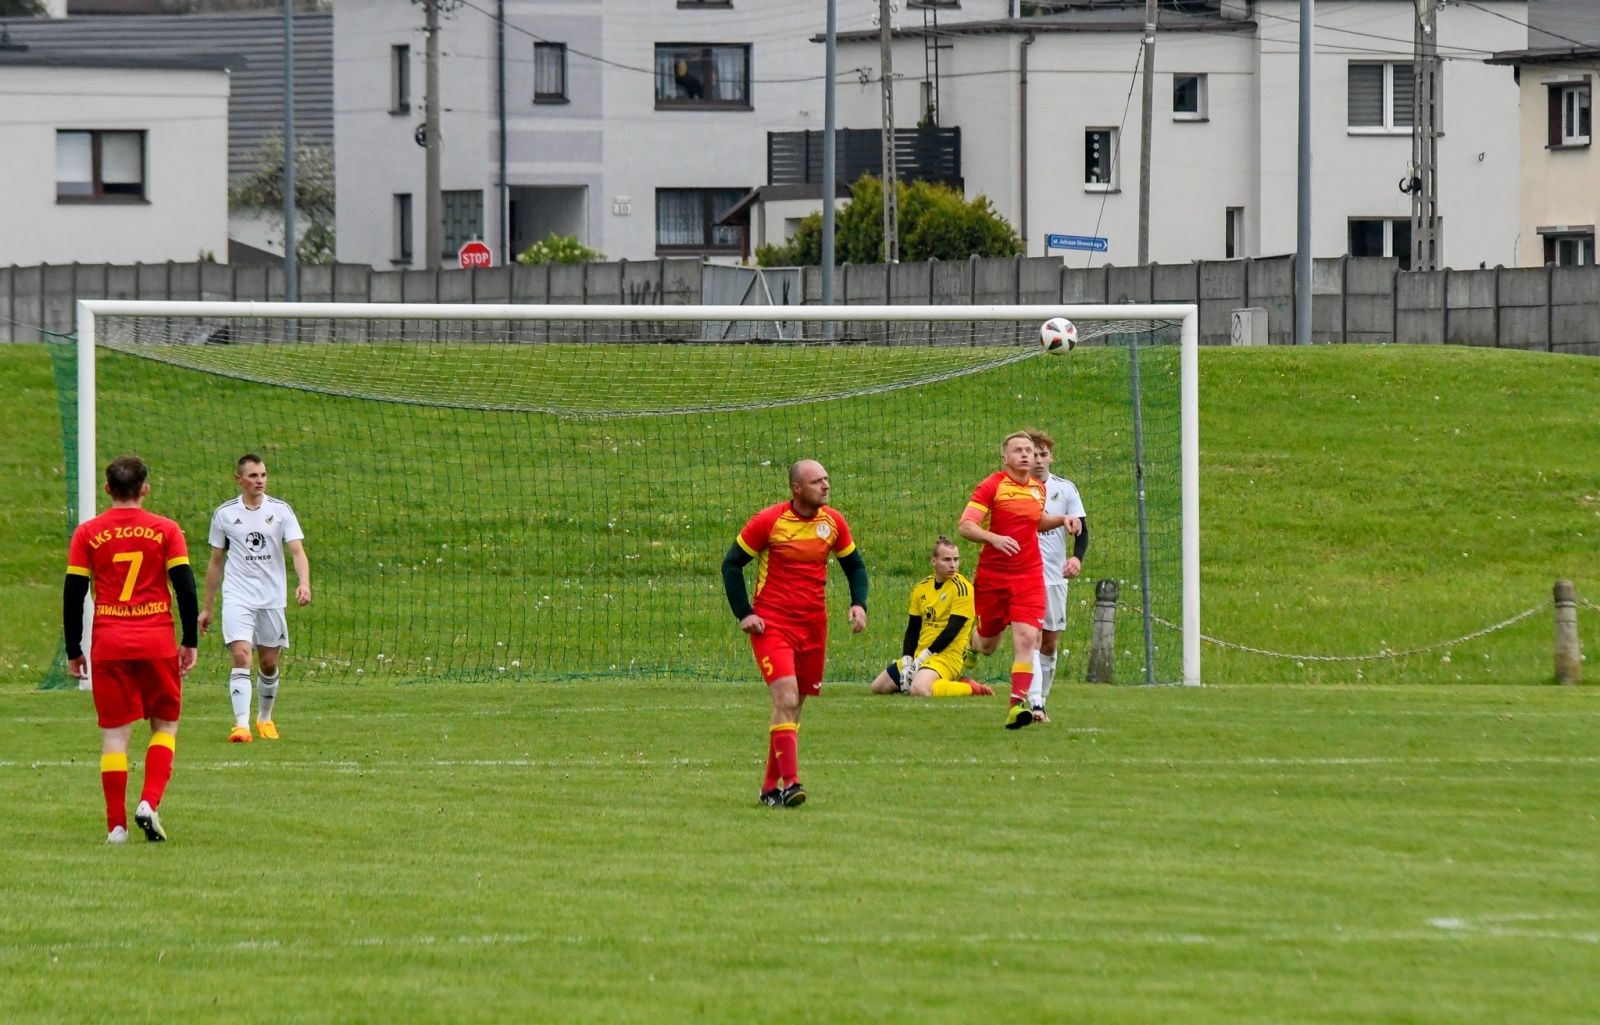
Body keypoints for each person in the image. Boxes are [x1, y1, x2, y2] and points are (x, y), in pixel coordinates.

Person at [64, 455, 199, 843]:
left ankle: (116, 827)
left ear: (107, 489)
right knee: (165, 724)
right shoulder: (166, 529)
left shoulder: (88, 533)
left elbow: (73, 595)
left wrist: (75, 647)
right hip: (156, 639)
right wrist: (189, 639)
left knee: (115, 736)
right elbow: (186, 590)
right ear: (145, 489)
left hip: (109, 643)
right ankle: (149, 802)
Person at [722, 460, 868, 808]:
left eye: (827, 479)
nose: (826, 486)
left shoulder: (833, 523)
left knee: (793, 708)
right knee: (785, 699)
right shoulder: (769, 521)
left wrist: (859, 603)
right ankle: (792, 783)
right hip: (772, 625)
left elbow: (855, 566)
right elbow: (731, 565)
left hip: (813, 626)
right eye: (817, 481)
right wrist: (745, 613)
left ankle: (769, 789)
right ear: (796, 489)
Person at [957, 432, 1070, 729]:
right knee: (989, 644)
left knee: (1028, 638)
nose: (1024, 455)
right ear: (1005, 458)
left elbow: (1038, 521)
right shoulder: (992, 486)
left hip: (1030, 575)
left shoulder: (1038, 489)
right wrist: (993, 538)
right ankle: (973, 643)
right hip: (993, 578)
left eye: (1029, 451)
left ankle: (1017, 705)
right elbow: (966, 526)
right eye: (1018, 450)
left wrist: (1062, 520)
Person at [198, 454, 311, 742]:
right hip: (238, 596)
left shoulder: (281, 511)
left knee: (268, 663)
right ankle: (241, 726)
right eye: (253, 476)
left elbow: (297, 551)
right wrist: (207, 607)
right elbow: (215, 562)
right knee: (240, 655)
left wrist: (304, 583)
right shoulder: (225, 514)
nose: (259, 480)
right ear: (239, 480)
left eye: (262, 475)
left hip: (271, 597)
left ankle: (264, 719)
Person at [870, 537, 994, 698]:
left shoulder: (963, 589)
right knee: (879, 687)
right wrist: (908, 662)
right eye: (947, 559)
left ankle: (969, 688)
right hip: (920, 657)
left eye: (956, 559)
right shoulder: (921, 588)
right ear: (933, 561)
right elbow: (912, 630)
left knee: (919, 690)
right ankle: (922, 676)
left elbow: (951, 631)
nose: (953, 565)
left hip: (946, 658)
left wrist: (921, 659)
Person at [1027, 431, 1087, 723]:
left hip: (1054, 578)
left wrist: (1076, 557)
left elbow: (1082, 530)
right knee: (1031, 639)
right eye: (1032, 454)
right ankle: (1034, 703)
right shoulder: (1014, 489)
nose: (1037, 460)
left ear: (1051, 456)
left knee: (1049, 643)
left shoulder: (1065, 490)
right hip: (1025, 576)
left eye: (1042, 454)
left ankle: (1042, 700)